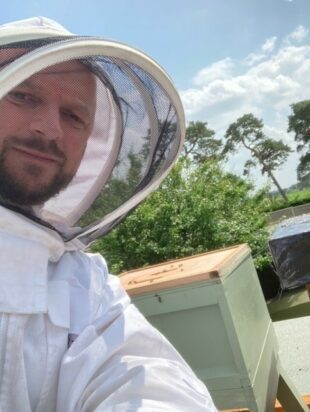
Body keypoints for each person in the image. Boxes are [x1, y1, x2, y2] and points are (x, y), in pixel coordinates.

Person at [0, 17, 218, 411]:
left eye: (74, 116)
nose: (50, 129)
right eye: (23, 96)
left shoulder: (86, 286)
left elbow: (147, 382)